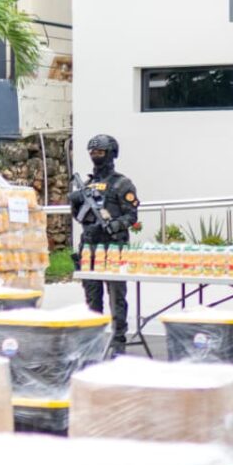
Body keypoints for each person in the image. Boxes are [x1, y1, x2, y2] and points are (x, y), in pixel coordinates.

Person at [68, 134, 138, 355]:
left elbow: (131, 216)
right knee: (92, 296)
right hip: (90, 247)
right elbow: (79, 217)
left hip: (113, 247)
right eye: (93, 152)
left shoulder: (122, 184)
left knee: (117, 296)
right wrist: (76, 202)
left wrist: (113, 225)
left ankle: (118, 340)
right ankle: (93, 340)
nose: (95, 156)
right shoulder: (87, 185)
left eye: (100, 152)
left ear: (111, 153)